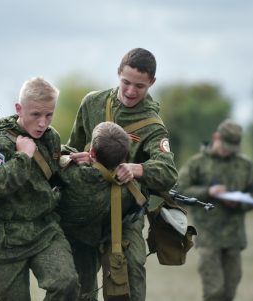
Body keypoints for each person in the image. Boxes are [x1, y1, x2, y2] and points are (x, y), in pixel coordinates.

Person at [65, 48, 178, 301]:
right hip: (85, 209)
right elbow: (71, 146)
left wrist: (136, 169)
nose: (130, 91)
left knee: (131, 274)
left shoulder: (152, 125)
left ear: (152, 83)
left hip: (126, 215)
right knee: (80, 286)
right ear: (118, 73)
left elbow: (168, 172)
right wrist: (77, 158)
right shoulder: (92, 103)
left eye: (139, 86)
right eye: (125, 82)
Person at [0, 77, 80, 300]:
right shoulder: (2, 142)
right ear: (19, 109)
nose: (43, 123)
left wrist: (68, 159)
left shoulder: (51, 137)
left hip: (43, 229)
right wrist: (22, 156)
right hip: (5, 238)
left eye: (49, 115)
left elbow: (49, 170)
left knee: (66, 283)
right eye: (35, 115)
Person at [177, 119, 253, 301]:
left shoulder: (244, 165)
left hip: (234, 237)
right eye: (225, 147)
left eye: (232, 149)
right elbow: (178, 191)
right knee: (214, 291)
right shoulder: (197, 163)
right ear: (216, 138)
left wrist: (240, 202)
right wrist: (207, 192)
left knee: (229, 291)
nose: (227, 152)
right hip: (208, 236)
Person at [57, 121, 133, 300]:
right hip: (89, 248)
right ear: (122, 160)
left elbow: (53, 157)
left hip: (60, 242)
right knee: (87, 293)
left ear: (91, 152)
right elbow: (141, 193)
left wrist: (71, 157)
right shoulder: (124, 191)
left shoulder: (70, 175)